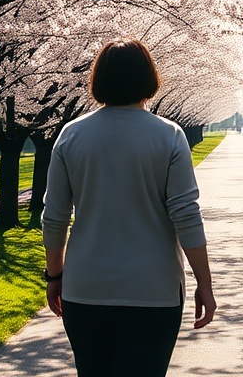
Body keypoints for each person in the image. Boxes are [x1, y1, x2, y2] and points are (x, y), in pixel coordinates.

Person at [42, 39, 216, 376]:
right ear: (148, 78)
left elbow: (54, 217)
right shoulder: (169, 135)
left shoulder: (71, 135)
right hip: (154, 292)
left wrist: (54, 276)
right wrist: (204, 283)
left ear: (99, 79)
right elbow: (186, 215)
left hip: (86, 289)